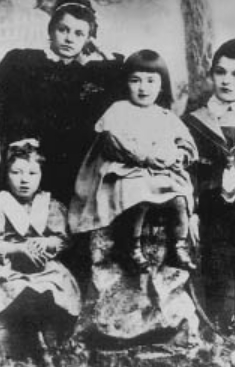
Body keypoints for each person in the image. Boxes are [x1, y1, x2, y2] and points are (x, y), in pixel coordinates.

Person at [0, 0, 123, 208]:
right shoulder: (23, 61)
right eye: (63, 30)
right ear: (51, 30)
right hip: (16, 148)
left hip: (59, 157)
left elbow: (120, 73)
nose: (69, 38)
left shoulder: (87, 73)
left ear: (88, 39)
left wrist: (95, 45)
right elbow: (0, 103)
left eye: (79, 34)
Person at [69, 49, 198, 273]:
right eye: (135, 80)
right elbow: (113, 143)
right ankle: (132, 247)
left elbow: (186, 143)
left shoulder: (165, 115)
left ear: (161, 85)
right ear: (126, 83)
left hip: (161, 172)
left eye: (151, 81)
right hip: (126, 170)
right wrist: (145, 157)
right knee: (139, 195)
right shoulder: (118, 110)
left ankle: (179, 246)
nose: (143, 87)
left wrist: (177, 156)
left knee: (180, 199)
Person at [184, 39, 235, 338]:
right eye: (221, 72)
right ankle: (219, 322)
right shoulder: (195, 121)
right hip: (210, 202)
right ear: (211, 74)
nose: (227, 81)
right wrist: (191, 209)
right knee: (215, 256)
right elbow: (186, 169)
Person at [0, 141, 81, 356]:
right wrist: (19, 248)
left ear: (41, 175)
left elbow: (63, 238)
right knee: (13, 287)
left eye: (32, 173)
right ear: (6, 174)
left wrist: (47, 243)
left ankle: (51, 340)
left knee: (55, 283)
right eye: (16, 172)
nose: (24, 180)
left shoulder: (48, 204)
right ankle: (29, 342)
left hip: (41, 265)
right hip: (6, 264)